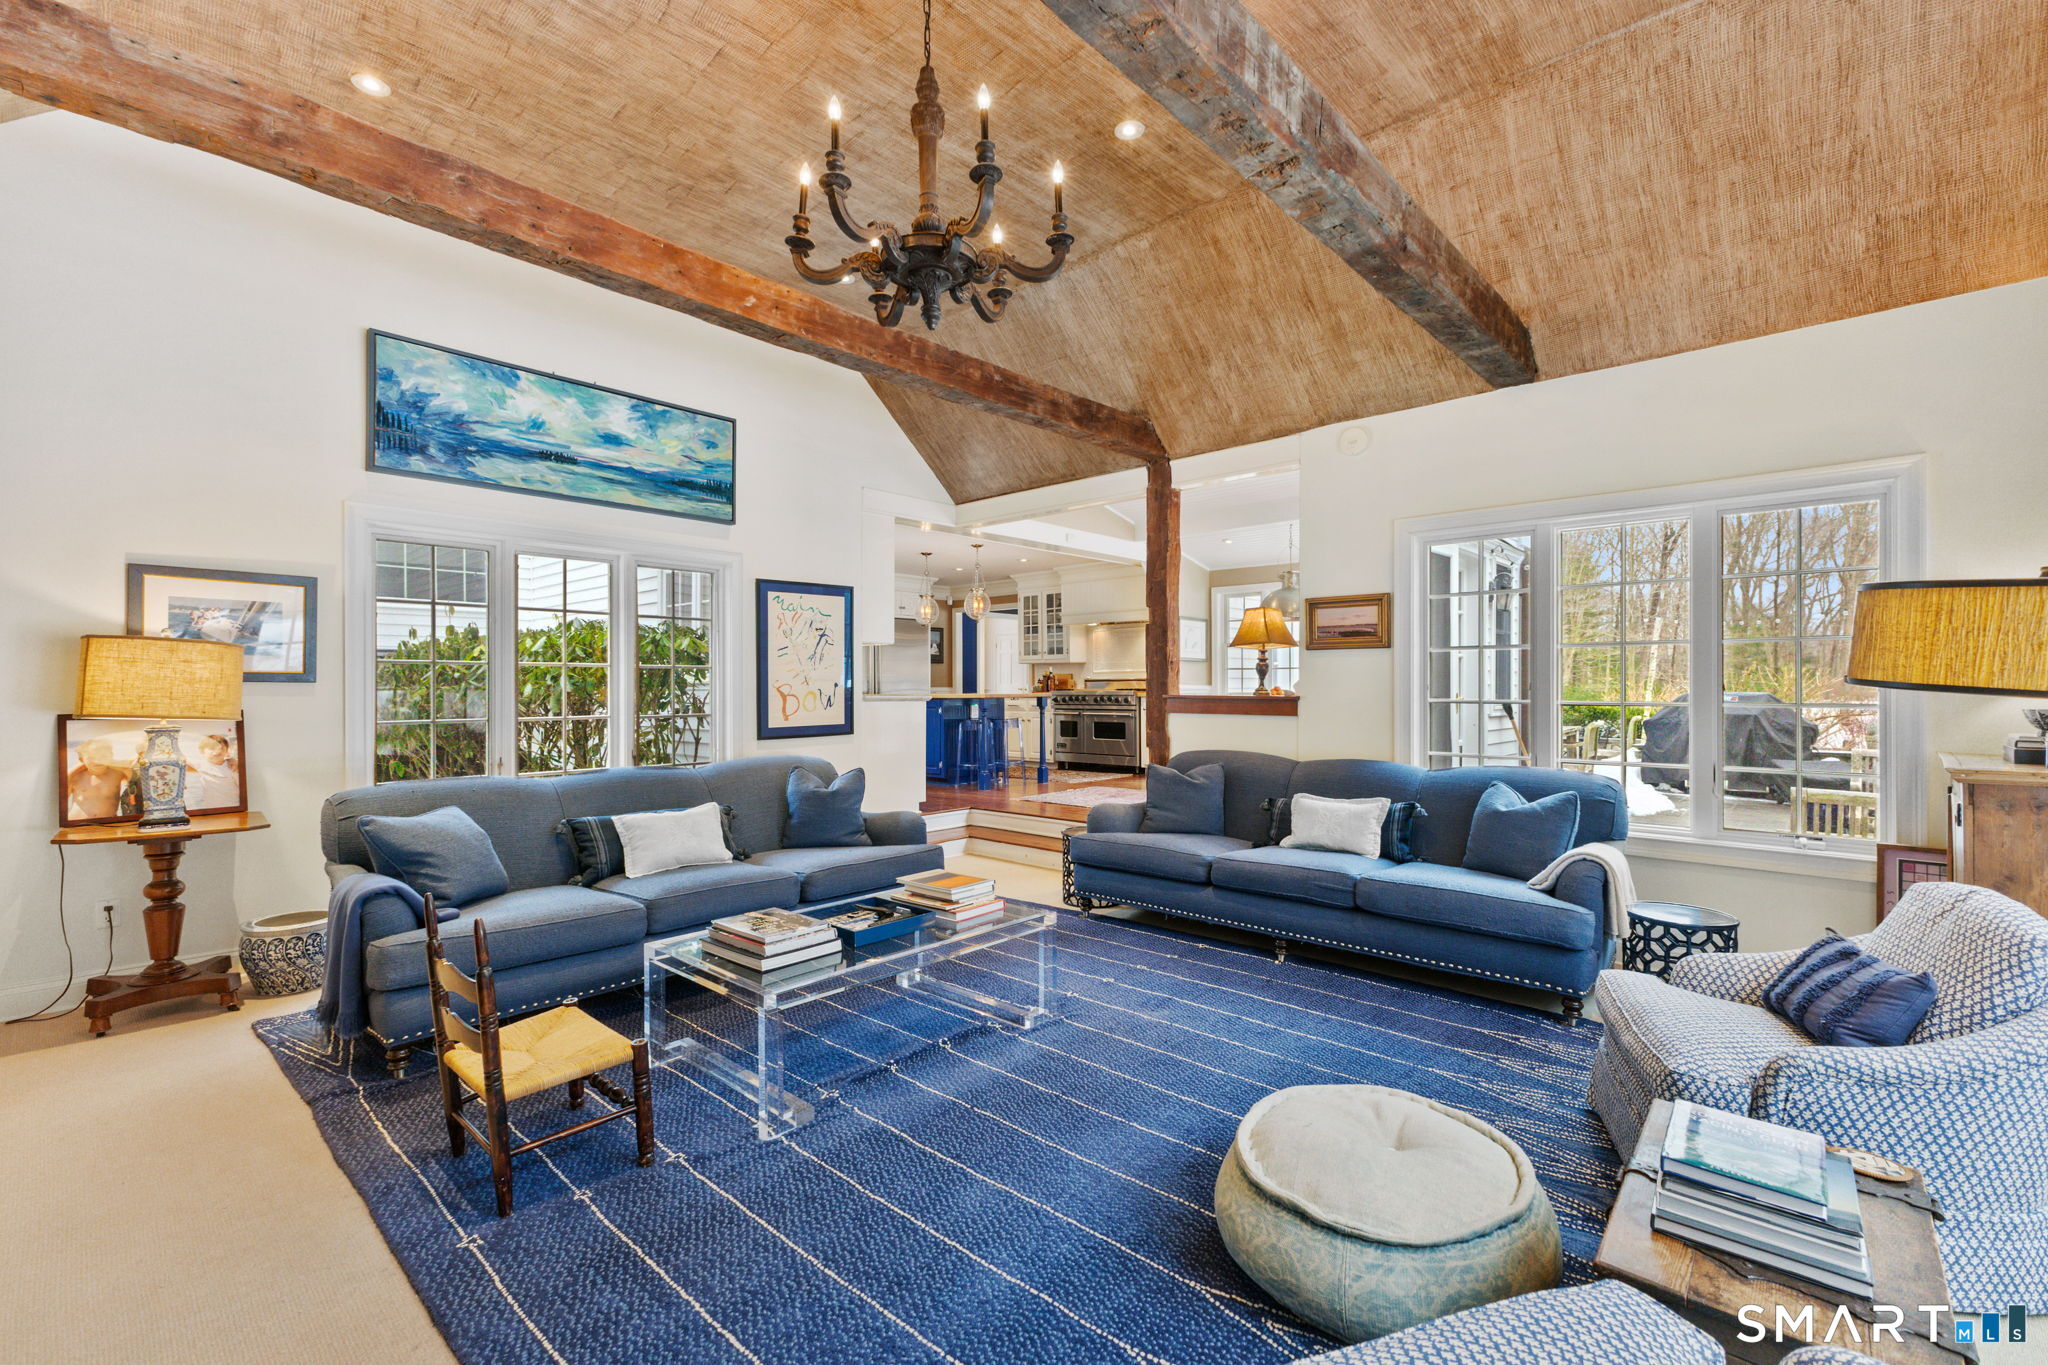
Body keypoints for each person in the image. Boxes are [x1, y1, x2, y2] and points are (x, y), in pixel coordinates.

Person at [68, 737, 135, 820]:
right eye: (91, 758)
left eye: (103, 756)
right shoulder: (76, 776)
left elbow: (133, 772)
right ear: (82, 760)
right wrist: (81, 766)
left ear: (111, 756)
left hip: (107, 824)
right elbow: (60, 795)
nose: (97, 761)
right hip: (77, 822)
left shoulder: (117, 774)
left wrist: (111, 762)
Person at [187, 733, 240, 810]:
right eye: (212, 748)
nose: (217, 751)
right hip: (211, 809)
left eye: (222, 748)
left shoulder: (232, 767)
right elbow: (179, 763)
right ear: (202, 751)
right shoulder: (200, 765)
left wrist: (235, 761)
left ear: (226, 751)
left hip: (233, 807)